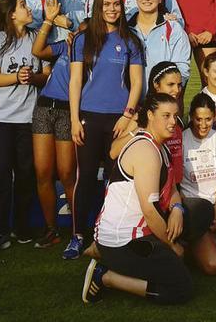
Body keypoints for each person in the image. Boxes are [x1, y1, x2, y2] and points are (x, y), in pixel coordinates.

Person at [81, 93, 192, 305]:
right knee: (182, 288)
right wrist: (171, 245)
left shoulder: (161, 146)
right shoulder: (145, 150)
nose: (172, 122)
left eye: (175, 116)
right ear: (150, 115)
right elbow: (149, 211)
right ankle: (106, 276)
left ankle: (117, 259)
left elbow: (173, 188)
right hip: (123, 240)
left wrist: (177, 207)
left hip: (138, 232)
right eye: (166, 116)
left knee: (199, 212)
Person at [67, 0, 144, 259]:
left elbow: (136, 83)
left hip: (119, 121)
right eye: (106, 4)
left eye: (116, 4)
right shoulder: (82, 40)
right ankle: (77, 235)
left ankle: (109, 234)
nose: (112, 9)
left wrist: (127, 115)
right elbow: (75, 81)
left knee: (115, 179)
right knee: (86, 176)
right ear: (97, 7)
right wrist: (75, 119)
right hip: (88, 117)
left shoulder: (131, 40)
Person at [0, 0, 47, 256]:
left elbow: (44, 76)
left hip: (28, 119)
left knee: (25, 175)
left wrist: (34, 77)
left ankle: (21, 227)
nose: (28, 9)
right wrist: (17, 77)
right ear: (10, 14)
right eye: (22, 6)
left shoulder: (35, 38)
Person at [29, 0, 81, 249]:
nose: (79, 34)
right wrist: (49, 20)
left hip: (66, 112)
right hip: (43, 108)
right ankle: (51, 230)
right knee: (42, 173)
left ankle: (76, 231)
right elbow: (37, 51)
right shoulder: (65, 47)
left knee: (67, 174)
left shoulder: (92, 56)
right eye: (79, 30)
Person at [179, 93, 216, 274]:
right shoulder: (181, 141)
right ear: (191, 117)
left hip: (215, 203)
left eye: (208, 119)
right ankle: (194, 241)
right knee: (213, 266)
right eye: (198, 119)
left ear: (214, 118)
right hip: (194, 207)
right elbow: (177, 185)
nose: (203, 124)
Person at [127, 0, 191, 91]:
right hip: (129, 102)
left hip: (162, 102)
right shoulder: (125, 29)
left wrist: (167, 92)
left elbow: (182, 68)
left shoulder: (173, 28)